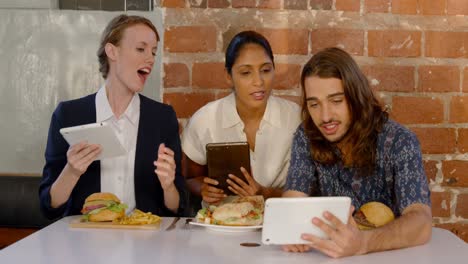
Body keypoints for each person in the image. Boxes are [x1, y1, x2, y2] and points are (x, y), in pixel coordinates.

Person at [282, 47, 432, 257]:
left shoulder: (399, 141)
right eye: (314, 104)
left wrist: (362, 243)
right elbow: (294, 197)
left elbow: (421, 221)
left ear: (356, 95)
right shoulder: (306, 135)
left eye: (336, 101)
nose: (325, 117)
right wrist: (290, 228)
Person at [39, 14, 186, 219]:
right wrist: (72, 171)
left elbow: (177, 207)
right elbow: (49, 206)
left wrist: (169, 185)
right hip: (84, 241)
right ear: (112, 51)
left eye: (153, 52)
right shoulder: (68, 115)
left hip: (146, 242)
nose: (151, 58)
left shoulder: (162, 118)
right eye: (141, 49)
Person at [181, 31, 301, 206]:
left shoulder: (295, 118)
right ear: (229, 76)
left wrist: (264, 193)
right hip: (222, 224)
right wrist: (203, 189)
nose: (258, 81)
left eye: (266, 70)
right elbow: (189, 178)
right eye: (246, 73)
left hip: (278, 221)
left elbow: (310, 189)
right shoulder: (205, 120)